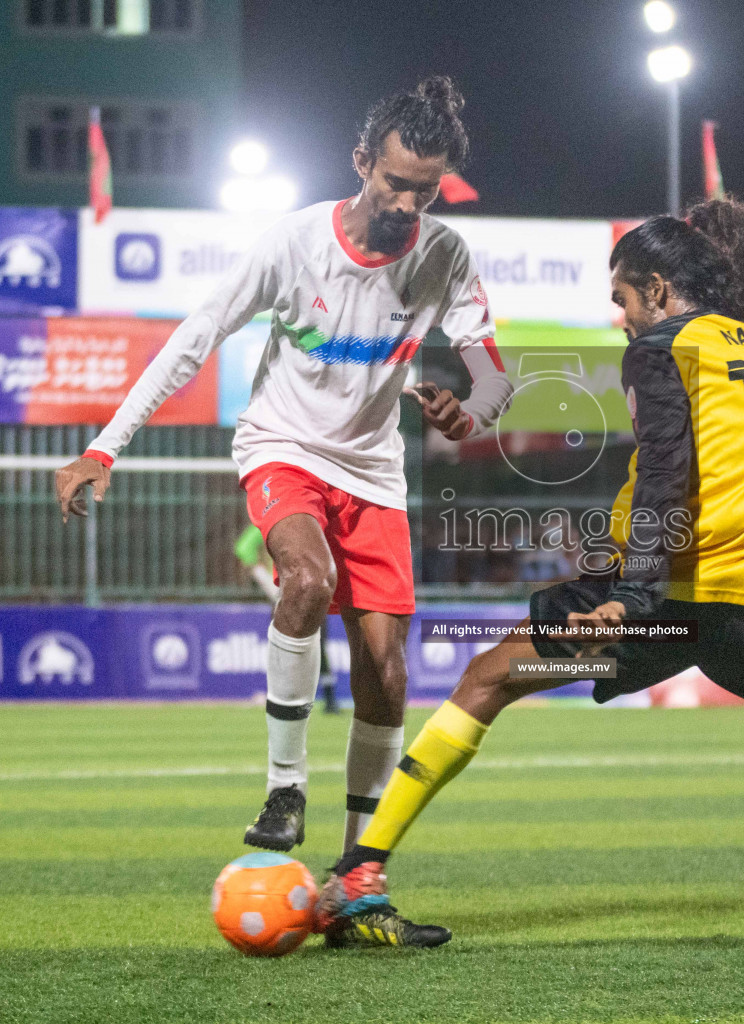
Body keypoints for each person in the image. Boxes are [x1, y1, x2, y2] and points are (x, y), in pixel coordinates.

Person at [316, 201, 744, 969]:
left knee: (485, 680)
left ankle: (361, 875)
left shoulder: (663, 348)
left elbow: (665, 473)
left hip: (661, 600)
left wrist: (633, 593)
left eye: (624, 299)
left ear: (658, 289)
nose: (621, 318)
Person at [55, 78, 512, 906]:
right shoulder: (293, 243)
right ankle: (283, 788)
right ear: (361, 162)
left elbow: (489, 372)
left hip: (373, 471)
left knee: (387, 674)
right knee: (306, 580)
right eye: (394, 182)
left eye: (426, 188)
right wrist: (103, 447)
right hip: (283, 447)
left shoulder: (443, 253)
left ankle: (357, 878)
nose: (408, 202)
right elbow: (195, 339)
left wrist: (467, 408)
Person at [236, 525, 339, 715]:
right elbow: (243, 548)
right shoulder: (314, 521)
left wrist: (270, 587)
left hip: (285, 597)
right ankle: (329, 700)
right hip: (311, 593)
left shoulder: (270, 519)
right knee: (317, 647)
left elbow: (243, 549)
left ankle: (288, 702)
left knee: (288, 650)